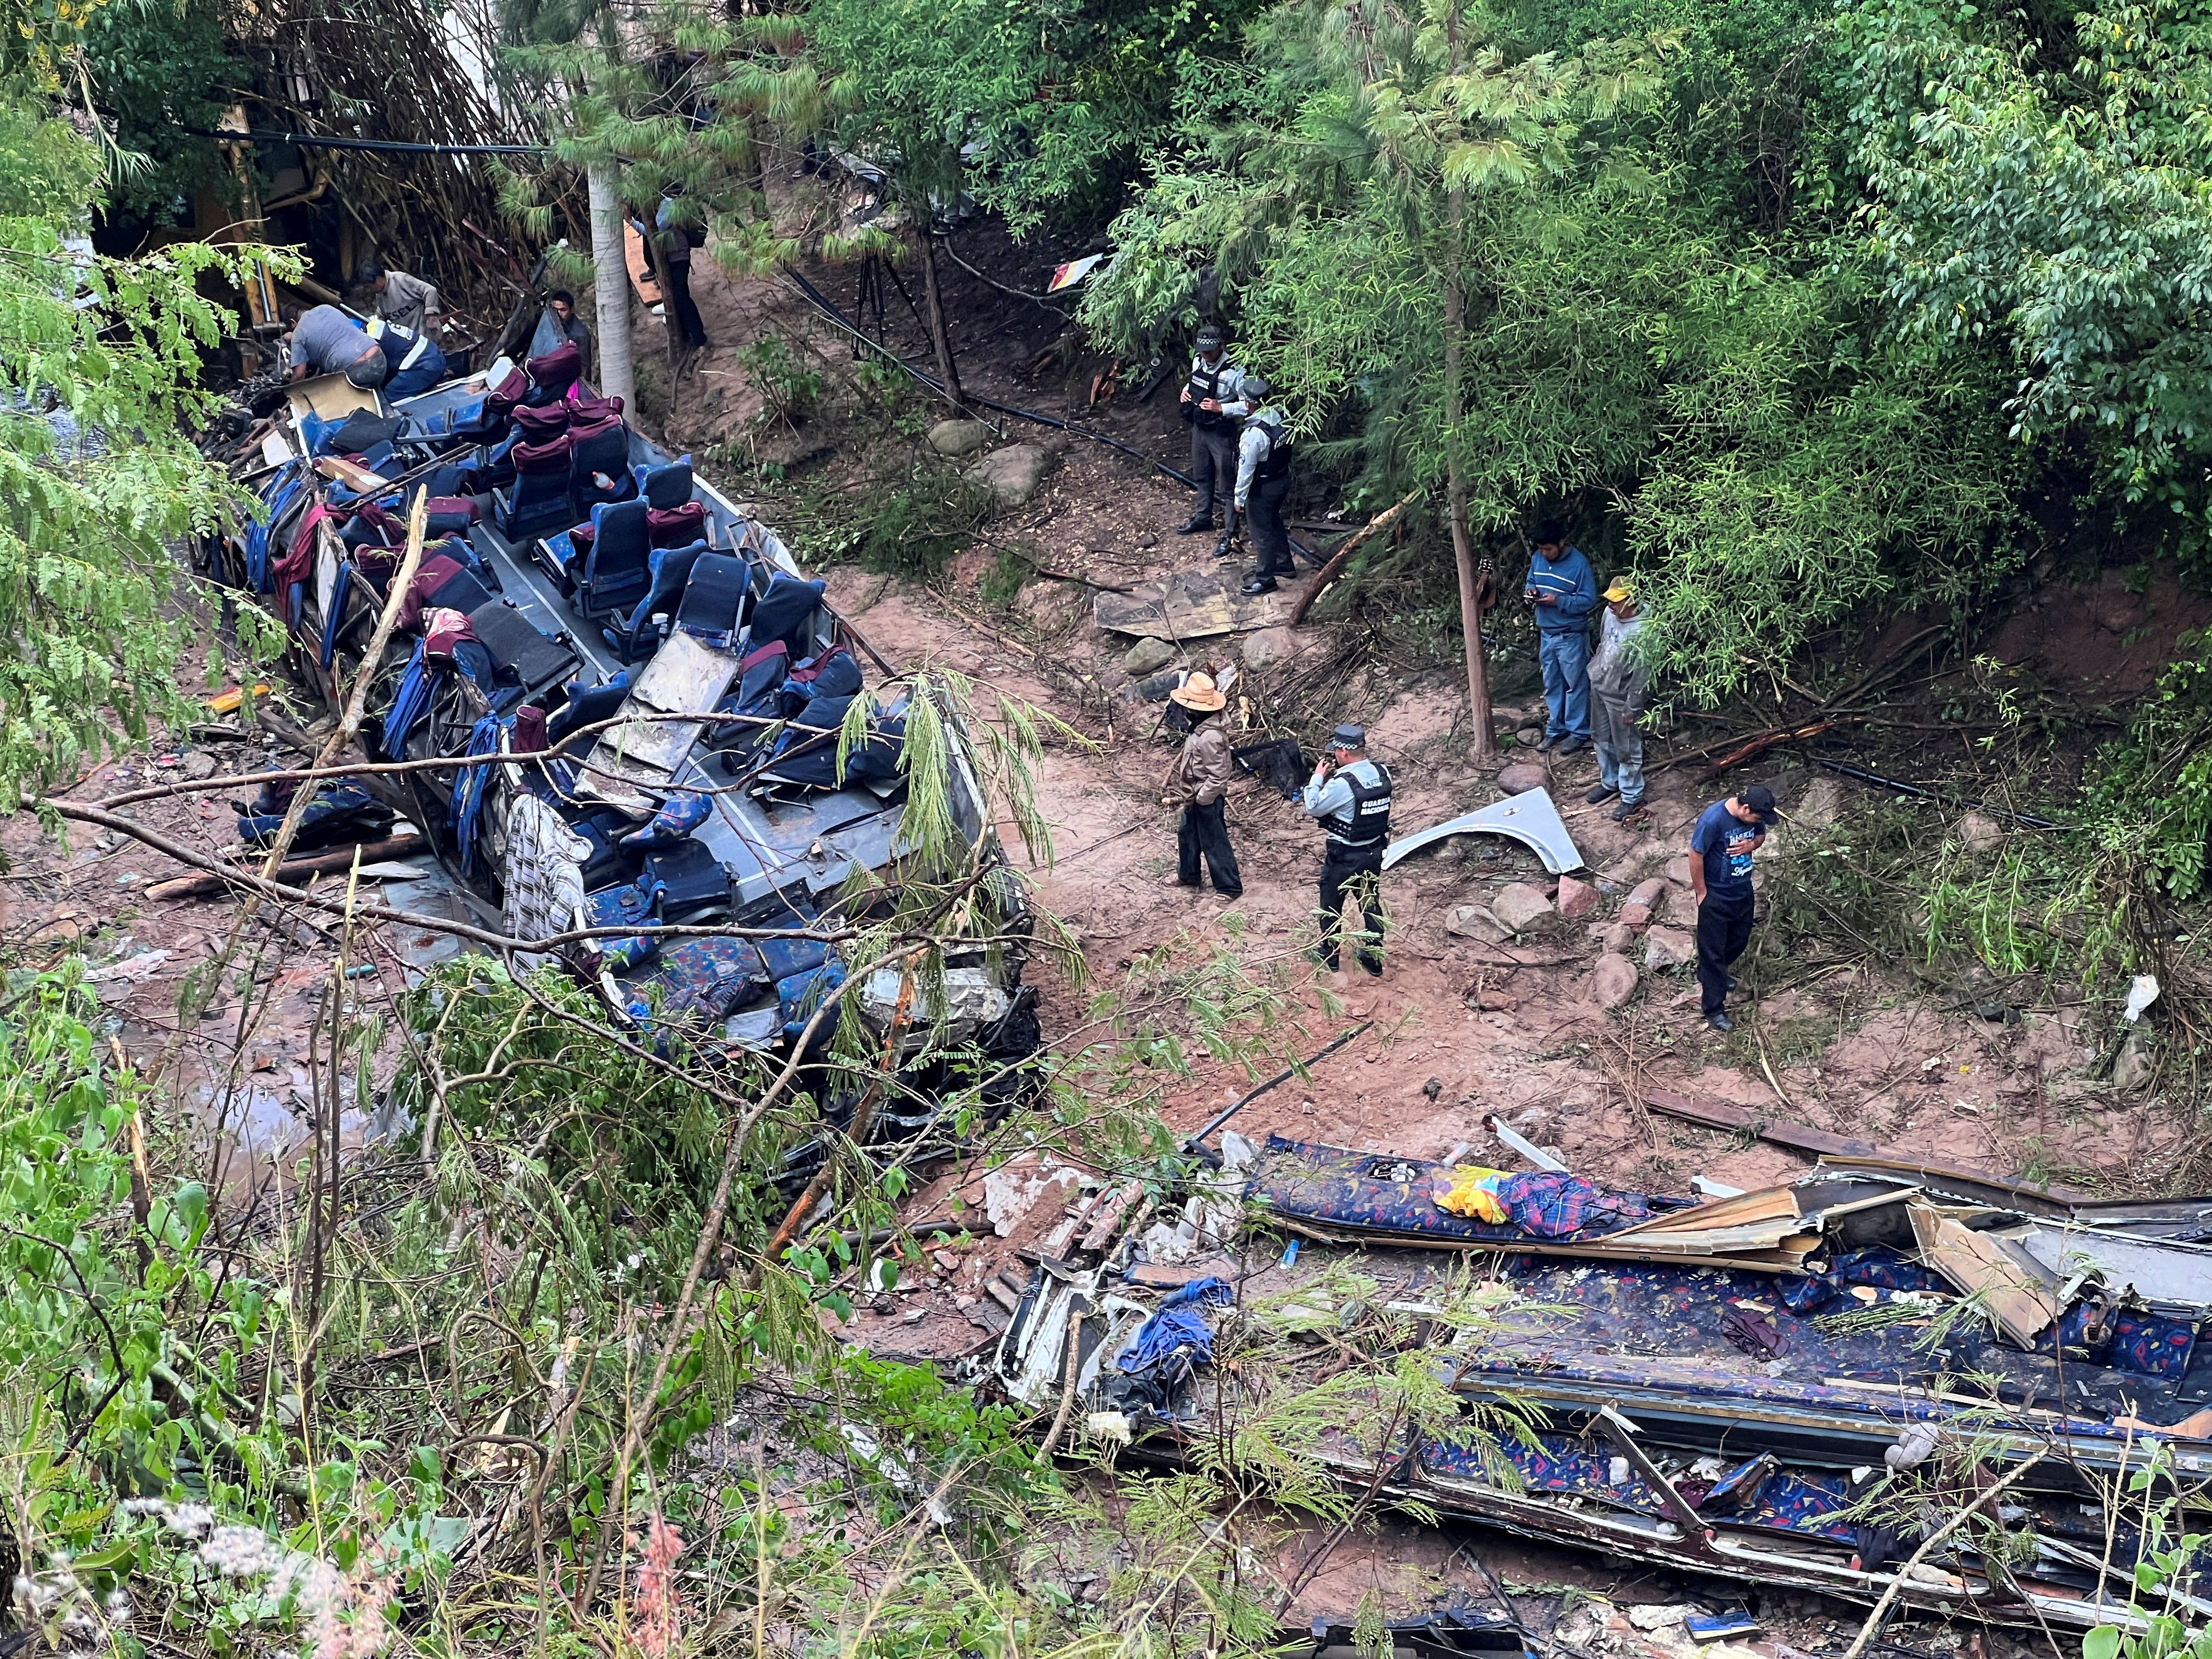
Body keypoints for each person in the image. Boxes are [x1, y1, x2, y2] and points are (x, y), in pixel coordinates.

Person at [1300, 723, 1392, 975]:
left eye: (1336, 752)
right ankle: (1373, 957)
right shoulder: (1382, 772)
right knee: (1370, 904)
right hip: (1373, 852)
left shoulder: (1343, 784)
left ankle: (1329, 955)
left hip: (1344, 857)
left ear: (1344, 753)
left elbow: (1313, 807)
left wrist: (1317, 778)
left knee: (1331, 905)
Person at [1689, 784, 1776, 1032]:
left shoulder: (1753, 817)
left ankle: (1709, 973)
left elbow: (1761, 834)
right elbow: (1695, 854)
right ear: (1745, 808)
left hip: (1742, 891)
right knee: (1713, 952)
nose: (1759, 822)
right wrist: (1702, 892)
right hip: (1716, 895)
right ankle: (1714, 1009)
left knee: (1739, 940)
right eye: (1757, 817)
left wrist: (1753, 846)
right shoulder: (1713, 820)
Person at [1164, 672, 1242, 898]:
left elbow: (1219, 775)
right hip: (1193, 795)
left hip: (1204, 797)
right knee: (1187, 835)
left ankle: (1229, 888)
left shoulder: (1211, 737)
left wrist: (1203, 798)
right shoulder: (1200, 729)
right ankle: (1188, 876)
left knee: (1214, 841)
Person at [1524, 520, 1599, 754]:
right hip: (1547, 633)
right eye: (1541, 549)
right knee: (1552, 684)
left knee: (1575, 685)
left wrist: (1559, 601)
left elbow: (1588, 601)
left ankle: (1579, 732)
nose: (1544, 554)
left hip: (1571, 636)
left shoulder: (1579, 565)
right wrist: (1531, 593)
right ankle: (1556, 729)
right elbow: (1531, 581)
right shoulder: (1538, 559)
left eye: (1549, 549)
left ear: (1562, 543)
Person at [1585, 577, 1651, 821]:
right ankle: (1609, 782)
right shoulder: (1609, 614)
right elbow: (1604, 643)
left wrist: (1632, 706)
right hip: (1601, 684)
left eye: (1617, 601)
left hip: (1622, 696)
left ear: (1631, 601)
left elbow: (1643, 674)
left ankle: (1632, 796)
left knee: (1627, 748)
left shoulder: (1644, 629)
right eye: (1610, 600)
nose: (1611, 605)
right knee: (1600, 737)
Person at [1231, 374, 1295, 596]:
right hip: (1282, 478)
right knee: (1274, 520)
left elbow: (1246, 469)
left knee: (1261, 533)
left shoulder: (1254, 434)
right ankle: (1285, 564)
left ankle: (1265, 579)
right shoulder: (1281, 413)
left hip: (1263, 487)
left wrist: (1239, 499)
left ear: (1250, 403)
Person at [1176, 324, 1243, 534]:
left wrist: (1222, 407)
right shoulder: (1198, 361)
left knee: (1226, 482)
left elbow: (1250, 406)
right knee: (1202, 475)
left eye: (1210, 351)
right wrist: (1185, 393)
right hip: (1200, 427)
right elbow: (1193, 384)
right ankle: (1203, 517)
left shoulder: (1235, 371)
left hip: (1221, 432)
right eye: (1202, 350)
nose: (1206, 355)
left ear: (1221, 346)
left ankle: (1231, 532)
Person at [286, 303, 387, 390]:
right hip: (377, 356)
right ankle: (389, 411)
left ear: (293, 322)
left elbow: (299, 375)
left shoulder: (298, 333)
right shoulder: (326, 308)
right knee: (374, 395)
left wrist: (289, 392)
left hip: (355, 370)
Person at [654, 196, 709, 351]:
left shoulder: (668, 205)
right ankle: (686, 334)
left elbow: (659, 227)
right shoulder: (669, 204)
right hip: (676, 256)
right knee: (678, 297)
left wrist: (633, 223)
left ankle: (699, 337)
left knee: (681, 297)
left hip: (679, 256)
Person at [365, 317, 448, 399]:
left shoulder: (369, 344)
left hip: (423, 367)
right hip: (434, 354)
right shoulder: (375, 325)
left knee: (390, 395)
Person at [354, 263, 442, 335]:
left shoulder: (400, 280)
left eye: (369, 287)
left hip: (425, 331)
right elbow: (382, 313)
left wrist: (431, 315)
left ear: (379, 280)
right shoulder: (380, 294)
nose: (369, 290)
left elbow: (430, 290)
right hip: (409, 337)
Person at [549, 290, 594, 377]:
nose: (558, 314)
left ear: (572, 310)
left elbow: (584, 366)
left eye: (563, 310)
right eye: (555, 310)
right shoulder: (550, 322)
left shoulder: (580, 334)